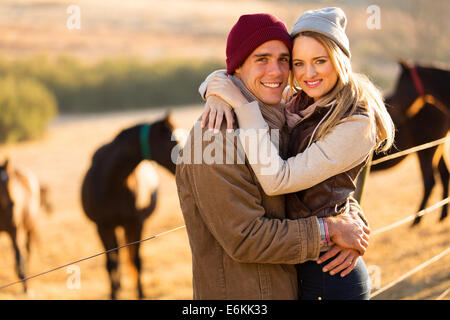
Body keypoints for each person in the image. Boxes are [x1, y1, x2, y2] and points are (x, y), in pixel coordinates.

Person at [200, 7, 395, 300]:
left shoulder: (355, 121)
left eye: (320, 61)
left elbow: (279, 181)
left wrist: (241, 105)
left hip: (330, 275)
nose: (309, 73)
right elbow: (239, 69)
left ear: (340, 59)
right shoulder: (298, 101)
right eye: (299, 63)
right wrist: (215, 88)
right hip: (300, 265)